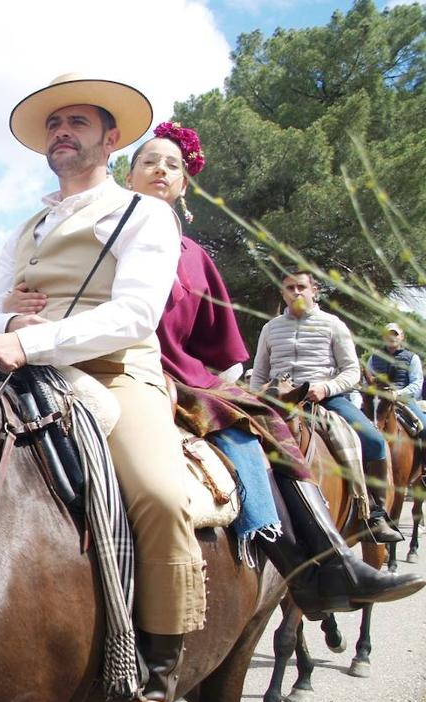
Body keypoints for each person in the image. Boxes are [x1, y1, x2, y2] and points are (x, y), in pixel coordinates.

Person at [0, 72, 197, 702]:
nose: (61, 133)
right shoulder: (27, 225)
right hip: (22, 368)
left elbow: (134, 315)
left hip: (114, 374)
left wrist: (29, 338)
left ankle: (155, 692)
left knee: (161, 495)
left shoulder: (143, 214)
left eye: (76, 123)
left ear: (111, 138)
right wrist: (8, 319)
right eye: (53, 125)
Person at [122, 125, 422, 615]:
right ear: (129, 176)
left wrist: (241, 387)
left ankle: (325, 557)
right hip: (115, 366)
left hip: (186, 374)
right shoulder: (101, 236)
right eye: (150, 162)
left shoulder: (195, 258)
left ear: (184, 185)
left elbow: (220, 346)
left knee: (272, 427)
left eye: (173, 165)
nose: (161, 170)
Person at [251, 272, 404, 543]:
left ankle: (375, 516)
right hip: (277, 401)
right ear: (282, 293)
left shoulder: (333, 324)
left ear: (314, 291)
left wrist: (325, 388)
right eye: (290, 288)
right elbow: (260, 374)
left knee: (375, 441)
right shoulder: (270, 328)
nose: (296, 292)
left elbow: (351, 371)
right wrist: (257, 397)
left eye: (302, 287)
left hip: (325, 398)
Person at [366, 322, 426, 436]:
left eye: (395, 334)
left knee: (425, 428)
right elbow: (367, 381)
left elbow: (417, 383)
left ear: (402, 337)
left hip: (403, 400)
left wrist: (397, 393)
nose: (391, 337)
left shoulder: (412, 358)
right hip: (377, 399)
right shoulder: (373, 358)